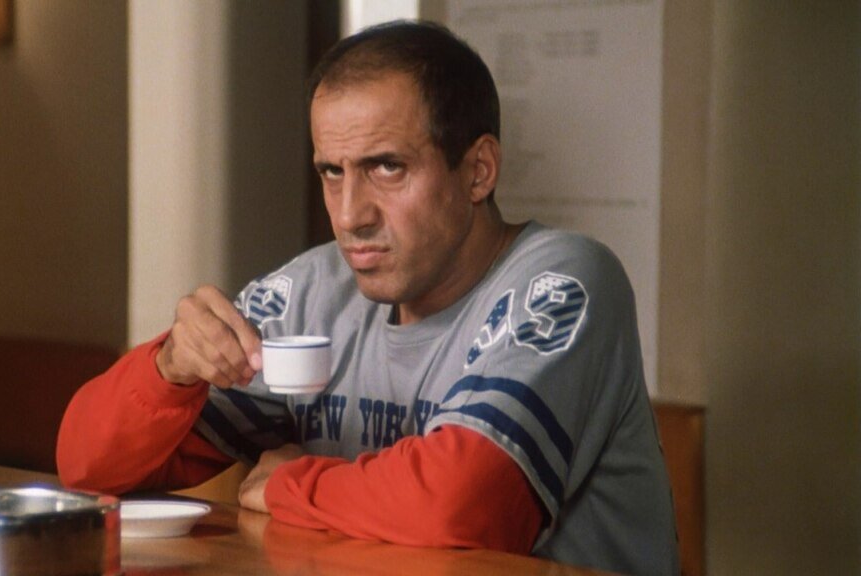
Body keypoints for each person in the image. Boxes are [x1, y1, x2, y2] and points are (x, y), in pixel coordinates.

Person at [57, 20, 679, 576]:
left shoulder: (561, 282)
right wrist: (169, 371)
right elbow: (87, 469)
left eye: (387, 168)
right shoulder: (316, 288)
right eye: (333, 172)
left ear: (478, 171)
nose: (351, 215)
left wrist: (289, 485)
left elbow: (467, 507)